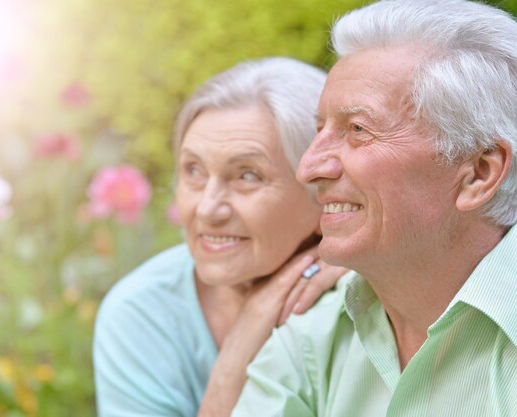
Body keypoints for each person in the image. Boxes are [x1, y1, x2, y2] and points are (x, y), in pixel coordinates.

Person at [232, 1, 516, 416]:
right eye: (319, 130)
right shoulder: (316, 334)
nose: (309, 168)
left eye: (357, 130)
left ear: (478, 172)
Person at [93, 57, 349, 417]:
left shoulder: (368, 302)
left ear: (322, 193)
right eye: (193, 171)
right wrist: (234, 363)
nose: (207, 209)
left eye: (247, 175)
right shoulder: (142, 314)